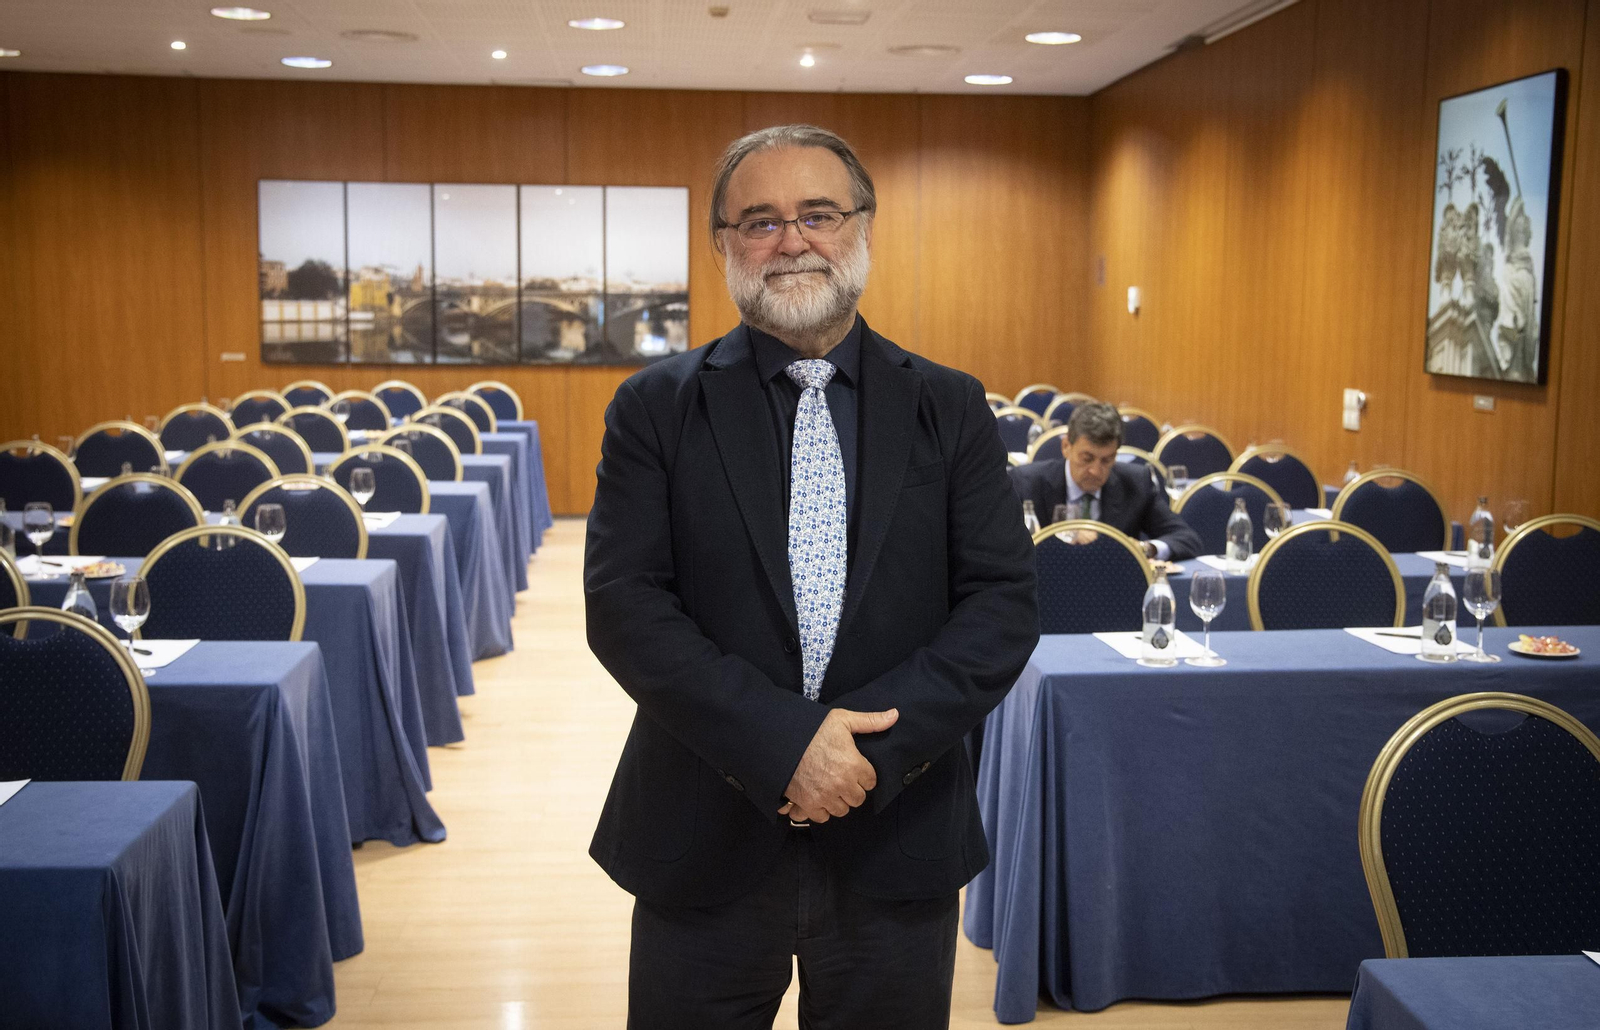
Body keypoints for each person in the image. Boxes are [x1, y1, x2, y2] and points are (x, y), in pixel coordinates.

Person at [584, 124, 1040, 1029]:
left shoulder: (948, 405)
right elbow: (625, 607)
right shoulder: (655, 409)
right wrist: (788, 744)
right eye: (759, 221)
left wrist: (859, 756)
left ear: (862, 228)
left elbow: (1000, 607)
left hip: (896, 834)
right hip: (700, 836)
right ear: (723, 245)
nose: (790, 241)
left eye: (817, 214)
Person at [1008, 401, 1203, 561]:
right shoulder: (1026, 483)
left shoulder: (1136, 483)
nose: (1095, 470)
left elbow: (1187, 539)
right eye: (1087, 458)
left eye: (1106, 460)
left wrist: (1146, 548)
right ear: (1066, 447)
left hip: (1114, 591)